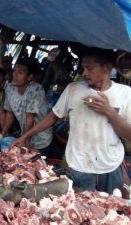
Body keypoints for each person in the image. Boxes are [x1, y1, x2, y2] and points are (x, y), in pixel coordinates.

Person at [11, 47, 131, 194]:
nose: (84, 73)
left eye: (89, 68)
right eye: (83, 68)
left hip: (110, 166)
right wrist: (26, 136)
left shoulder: (125, 93)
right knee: (80, 211)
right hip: (79, 166)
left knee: (113, 211)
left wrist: (109, 111)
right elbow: (53, 117)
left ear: (106, 68)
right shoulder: (73, 89)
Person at [1, 58, 53, 157]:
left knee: (35, 168)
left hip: (41, 139)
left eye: (20, 72)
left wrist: (26, 141)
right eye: (14, 71)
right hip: (24, 136)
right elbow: (10, 113)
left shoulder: (36, 89)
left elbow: (30, 117)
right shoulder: (10, 88)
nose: (15, 75)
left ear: (29, 77)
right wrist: (1, 135)